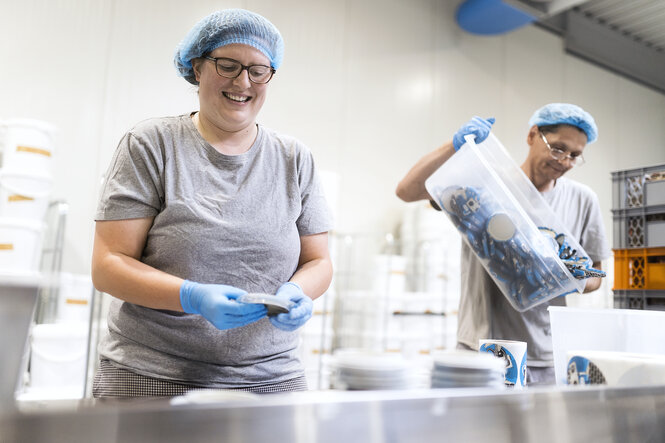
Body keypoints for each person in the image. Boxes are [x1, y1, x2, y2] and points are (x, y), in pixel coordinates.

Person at [91, 9, 333, 397]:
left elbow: (318, 261)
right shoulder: (152, 145)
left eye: (258, 70)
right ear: (197, 68)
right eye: (228, 65)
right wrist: (192, 297)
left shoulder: (294, 158)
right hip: (153, 375)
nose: (243, 82)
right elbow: (108, 266)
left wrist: (298, 292)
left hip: (271, 379)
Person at [396, 103, 610, 385]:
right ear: (533, 135)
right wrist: (455, 145)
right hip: (479, 349)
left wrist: (572, 276)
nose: (564, 161)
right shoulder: (485, 184)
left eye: (575, 156)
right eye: (558, 148)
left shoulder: (583, 199)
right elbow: (406, 191)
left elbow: (596, 273)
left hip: (543, 356)